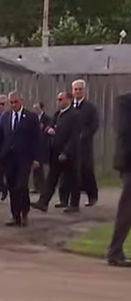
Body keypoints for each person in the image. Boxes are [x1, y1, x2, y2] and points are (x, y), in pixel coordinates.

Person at [0, 91, 41, 227]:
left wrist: (36, 158)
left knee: (21, 185)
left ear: (21, 101)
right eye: (11, 102)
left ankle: (24, 213)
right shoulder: (5, 117)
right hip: (8, 158)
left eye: (16, 102)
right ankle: (15, 215)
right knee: (12, 186)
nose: (13, 105)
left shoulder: (31, 117)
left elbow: (37, 139)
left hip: (24, 157)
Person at [31, 92, 82, 214]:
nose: (58, 102)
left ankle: (74, 204)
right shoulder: (58, 114)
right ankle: (43, 202)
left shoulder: (75, 115)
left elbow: (74, 137)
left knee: (72, 179)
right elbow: (49, 124)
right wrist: (48, 128)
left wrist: (66, 152)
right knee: (51, 178)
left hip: (69, 154)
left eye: (61, 99)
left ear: (68, 100)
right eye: (57, 99)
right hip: (55, 152)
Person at [58, 79, 99, 207]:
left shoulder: (90, 108)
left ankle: (92, 195)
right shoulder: (68, 107)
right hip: (69, 145)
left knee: (86, 170)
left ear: (83, 91)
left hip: (84, 145)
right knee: (66, 173)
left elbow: (94, 125)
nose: (77, 92)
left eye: (80, 89)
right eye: (75, 89)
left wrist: (83, 135)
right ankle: (64, 199)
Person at [105, 91, 131, 267]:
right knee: (127, 208)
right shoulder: (124, 102)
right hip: (130, 161)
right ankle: (114, 252)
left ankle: (115, 251)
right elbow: (124, 128)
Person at [31, 102, 52, 194]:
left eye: (37, 108)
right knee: (35, 167)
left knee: (42, 167)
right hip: (35, 146)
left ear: (41, 108)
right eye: (34, 108)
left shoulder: (47, 119)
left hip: (44, 145)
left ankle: (43, 186)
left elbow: (48, 129)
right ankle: (36, 186)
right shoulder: (32, 119)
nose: (35, 110)